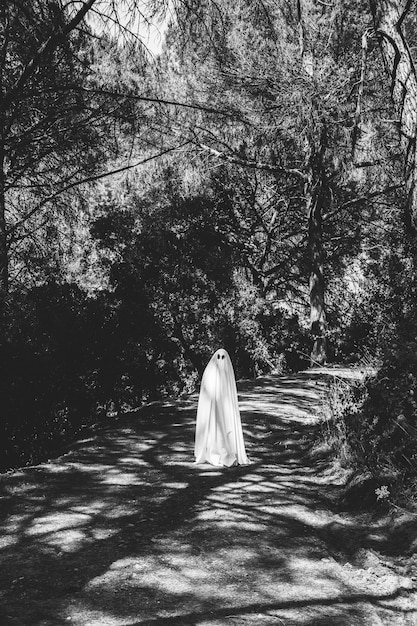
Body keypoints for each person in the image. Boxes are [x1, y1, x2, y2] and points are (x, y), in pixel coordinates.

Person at [194, 348, 249, 466]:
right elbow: (205, 394)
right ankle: (213, 451)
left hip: (225, 410)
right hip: (212, 410)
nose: (220, 360)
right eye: (218, 357)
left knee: (226, 429)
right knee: (214, 431)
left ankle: (228, 451)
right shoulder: (209, 374)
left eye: (223, 358)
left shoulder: (228, 375)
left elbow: (230, 395)